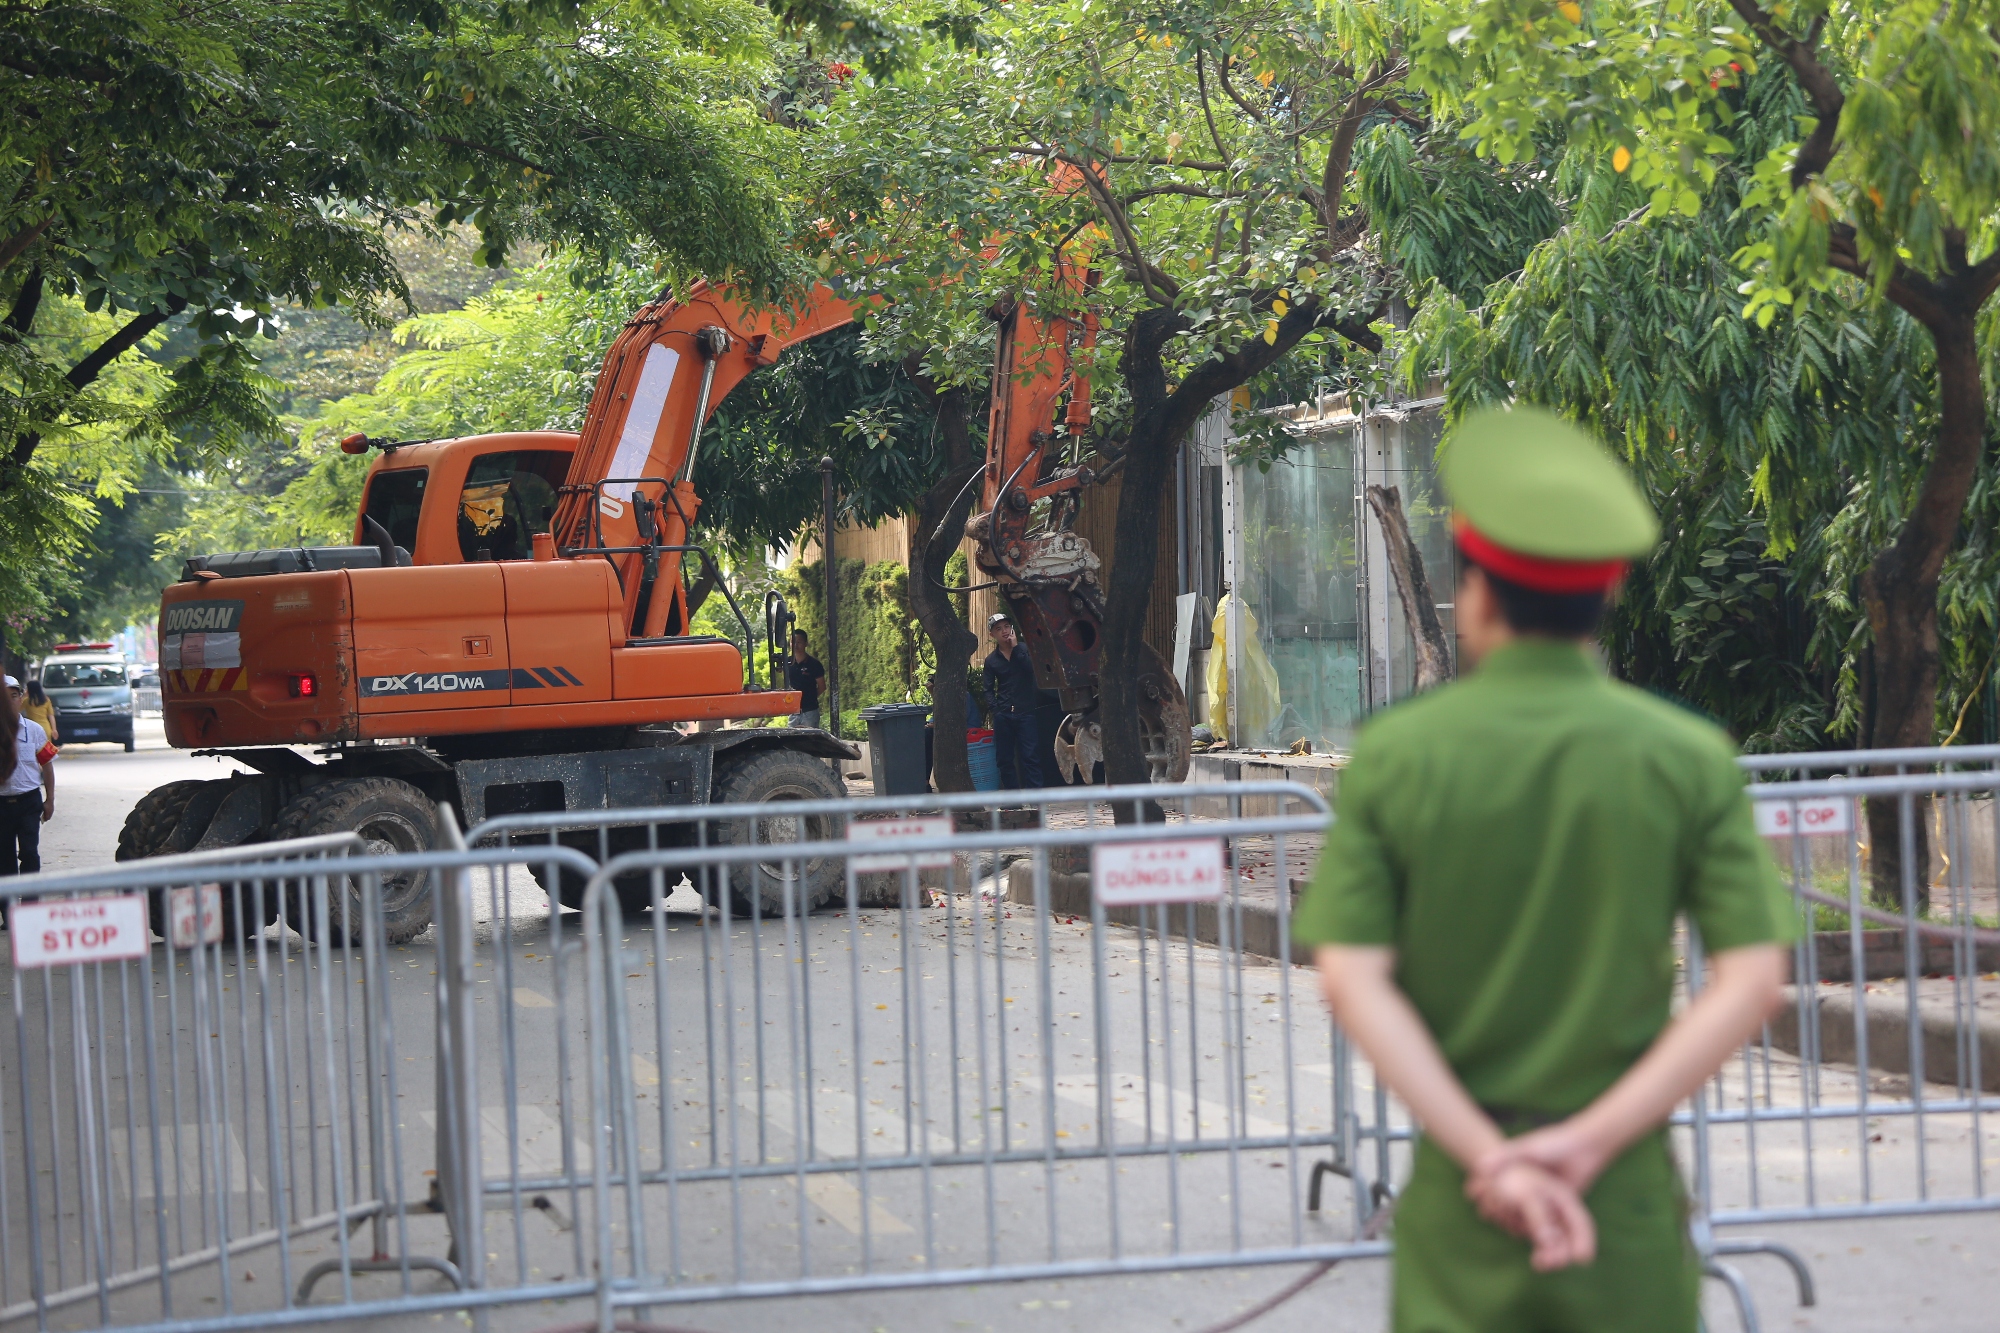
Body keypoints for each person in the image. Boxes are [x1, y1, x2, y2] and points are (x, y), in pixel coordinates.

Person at [1293, 406, 1794, 1333]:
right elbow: (1753, 979)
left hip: (1463, 1207)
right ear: (1605, 597)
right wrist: (1582, 1145)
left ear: (1474, 595)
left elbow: (1352, 977)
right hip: (1623, 1204)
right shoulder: (1685, 757)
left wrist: (1496, 1157)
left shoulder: (1400, 756)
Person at [2, 674, 57, 886]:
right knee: (4, 861)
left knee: (29, 853)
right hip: (1, 806)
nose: (9, 701)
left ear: (21, 698)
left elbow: (47, 765)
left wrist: (50, 799)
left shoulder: (34, 731)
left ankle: (30, 907)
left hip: (29, 802)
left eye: (14, 696)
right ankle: (9, 914)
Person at [982, 613, 1043, 789]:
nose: (1004, 631)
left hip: (1026, 712)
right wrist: (996, 710)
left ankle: (1036, 798)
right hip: (1004, 714)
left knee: (1031, 756)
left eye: (1007, 626)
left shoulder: (1023, 649)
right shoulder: (991, 660)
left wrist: (1016, 648)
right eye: (998, 629)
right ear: (992, 635)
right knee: (1004, 759)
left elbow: (1031, 670)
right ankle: (1013, 799)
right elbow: (987, 689)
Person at [784, 630, 827, 729]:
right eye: (792, 641)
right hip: (793, 711)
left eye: (798, 642)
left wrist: (810, 697)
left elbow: (822, 686)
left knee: (809, 740)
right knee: (791, 740)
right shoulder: (787, 663)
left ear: (806, 643)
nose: (795, 645)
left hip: (810, 711)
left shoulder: (814, 664)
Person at [20, 677, 58, 747]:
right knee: (45, 751)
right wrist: (54, 729)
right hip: (46, 728)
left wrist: (23, 696)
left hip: (31, 728)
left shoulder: (27, 701)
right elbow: (51, 715)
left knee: (34, 751)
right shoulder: (46, 700)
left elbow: (16, 710)